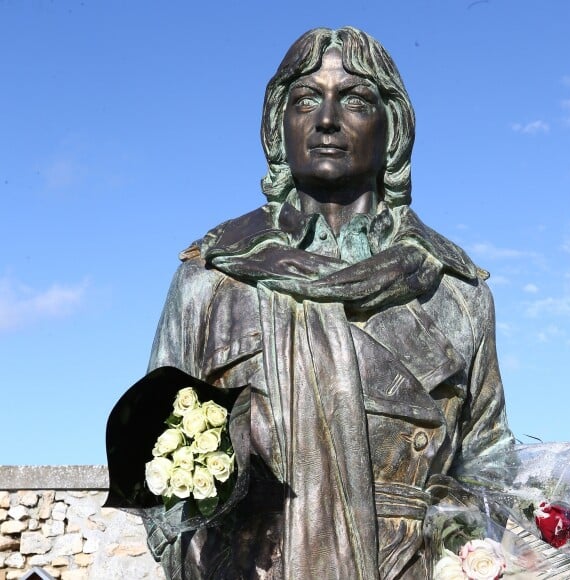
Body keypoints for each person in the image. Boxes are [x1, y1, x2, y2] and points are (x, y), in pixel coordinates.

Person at [142, 27, 514, 579]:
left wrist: (469, 552)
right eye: (306, 100)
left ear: (392, 129)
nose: (327, 120)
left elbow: (487, 459)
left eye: (356, 100)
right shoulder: (211, 279)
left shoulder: (456, 291)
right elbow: (154, 460)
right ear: (279, 126)